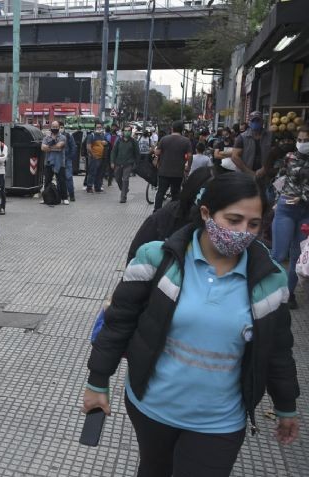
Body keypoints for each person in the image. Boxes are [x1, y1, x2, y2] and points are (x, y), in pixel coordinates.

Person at [86, 172, 300, 477]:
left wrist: (286, 405)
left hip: (220, 421)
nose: (243, 232)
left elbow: (277, 349)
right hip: (152, 408)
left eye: (254, 224)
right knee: (154, 469)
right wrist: (97, 381)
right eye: (234, 220)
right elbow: (118, 323)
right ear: (206, 213)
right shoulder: (156, 258)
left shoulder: (270, 280)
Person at [126, 166, 217, 262]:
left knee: (161, 192)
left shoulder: (217, 227)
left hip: (167, 173)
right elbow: (135, 255)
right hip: (174, 175)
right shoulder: (165, 218)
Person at [270, 126, 309, 310]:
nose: (302, 143)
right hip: (286, 208)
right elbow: (280, 179)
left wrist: (303, 197)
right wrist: (277, 200)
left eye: (306, 140)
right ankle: (268, 290)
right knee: (279, 254)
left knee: (297, 256)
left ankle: (289, 294)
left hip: (306, 212)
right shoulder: (289, 157)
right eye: (299, 140)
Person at [153, 121, 192, 211]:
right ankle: (174, 211)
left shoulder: (164, 139)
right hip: (178, 172)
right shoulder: (186, 141)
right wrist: (188, 167)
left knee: (160, 192)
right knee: (176, 193)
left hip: (163, 171)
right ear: (182, 130)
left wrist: (155, 152)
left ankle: (156, 211)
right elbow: (190, 156)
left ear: (172, 129)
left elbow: (157, 152)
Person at [232, 111, 272, 175]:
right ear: (249, 122)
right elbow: (234, 157)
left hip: (264, 174)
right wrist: (249, 172)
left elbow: (273, 154)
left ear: (262, 121)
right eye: (253, 121)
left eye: (258, 120)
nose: (255, 123)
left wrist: (265, 168)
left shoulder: (269, 136)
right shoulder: (242, 137)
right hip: (244, 175)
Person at [41, 121, 69, 204]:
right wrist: (54, 148)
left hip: (59, 163)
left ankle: (64, 198)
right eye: (53, 126)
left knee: (62, 181)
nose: (55, 128)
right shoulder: (46, 137)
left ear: (59, 127)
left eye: (56, 127)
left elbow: (59, 146)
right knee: (47, 181)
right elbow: (42, 148)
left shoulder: (63, 137)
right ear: (51, 127)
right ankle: (45, 198)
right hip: (49, 162)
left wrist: (48, 147)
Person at [110, 125, 137, 203]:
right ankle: (124, 189)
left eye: (128, 131)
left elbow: (137, 154)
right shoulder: (118, 141)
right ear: (123, 132)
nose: (127, 132)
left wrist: (135, 164)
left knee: (125, 179)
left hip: (128, 164)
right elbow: (113, 152)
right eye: (125, 130)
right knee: (117, 178)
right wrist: (112, 162)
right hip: (118, 163)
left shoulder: (133, 142)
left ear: (131, 132)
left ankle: (123, 197)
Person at [85, 122, 110, 193]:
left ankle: (97, 187)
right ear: (95, 128)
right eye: (97, 127)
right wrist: (93, 155)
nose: (99, 128)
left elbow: (106, 143)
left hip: (101, 158)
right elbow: (88, 147)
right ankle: (89, 187)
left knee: (99, 173)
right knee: (92, 173)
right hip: (94, 158)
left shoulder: (102, 136)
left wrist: (106, 143)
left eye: (100, 127)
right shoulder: (91, 136)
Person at [61, 122, 78, 202]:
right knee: (60, 178)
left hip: (67, 159)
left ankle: (71, 195)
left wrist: (70, 157)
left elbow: (73, 147)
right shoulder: (55, 136)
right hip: (59, 160)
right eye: (59, 127)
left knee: (68, 177)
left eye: (61, 127)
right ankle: (62, 195)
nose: (60, 129)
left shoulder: (68, 136)